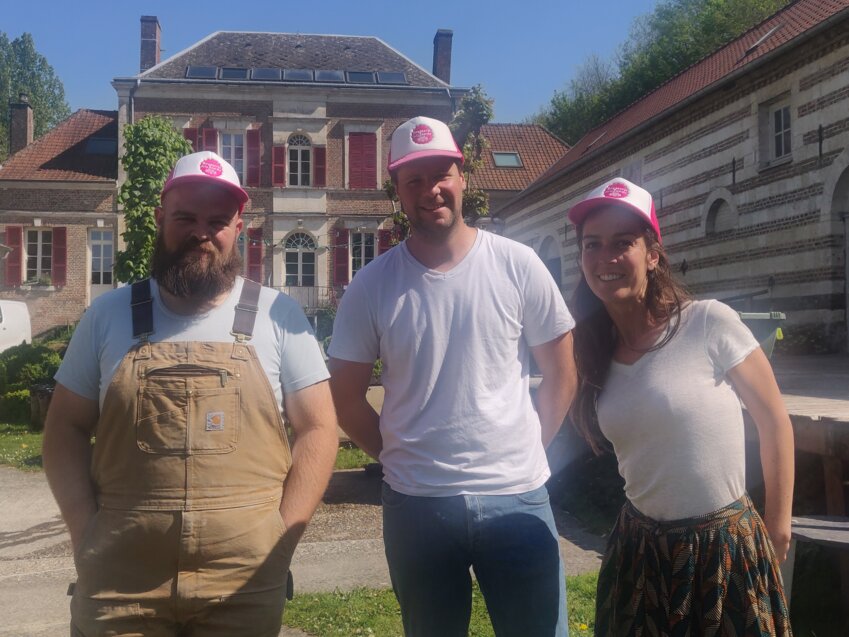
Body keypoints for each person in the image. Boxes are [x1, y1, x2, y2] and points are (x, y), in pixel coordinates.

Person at [43, 150, 339, 636]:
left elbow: (319, 428)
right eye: (185, 217)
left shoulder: (278, 315)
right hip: (119, 582)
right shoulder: (108, 315)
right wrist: (85, 535)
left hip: (244, 584)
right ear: (161, 219)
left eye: (218, 220)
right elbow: (64, 428)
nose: (202, 232)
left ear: (239, 228)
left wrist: (281, 542)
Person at [328, 116, 577, 637]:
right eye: (413, 180)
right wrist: (399, 456)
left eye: (441, 174)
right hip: (417, 506)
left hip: (517, 494)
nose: (430, 190)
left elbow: (562, 372)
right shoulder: (372, 286)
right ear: (396, 190)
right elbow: (345, 397)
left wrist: (532, 445)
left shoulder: (519, 265)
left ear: (462, 175)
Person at [566, 177, 794, 636]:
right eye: (593, 245)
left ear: (653, 255)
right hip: (640, 551)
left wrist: (779, 525)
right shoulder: (589, 351)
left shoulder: (708, 322)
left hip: (725, 547)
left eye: (622, 243)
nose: (605, 258)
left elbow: (774, 421)